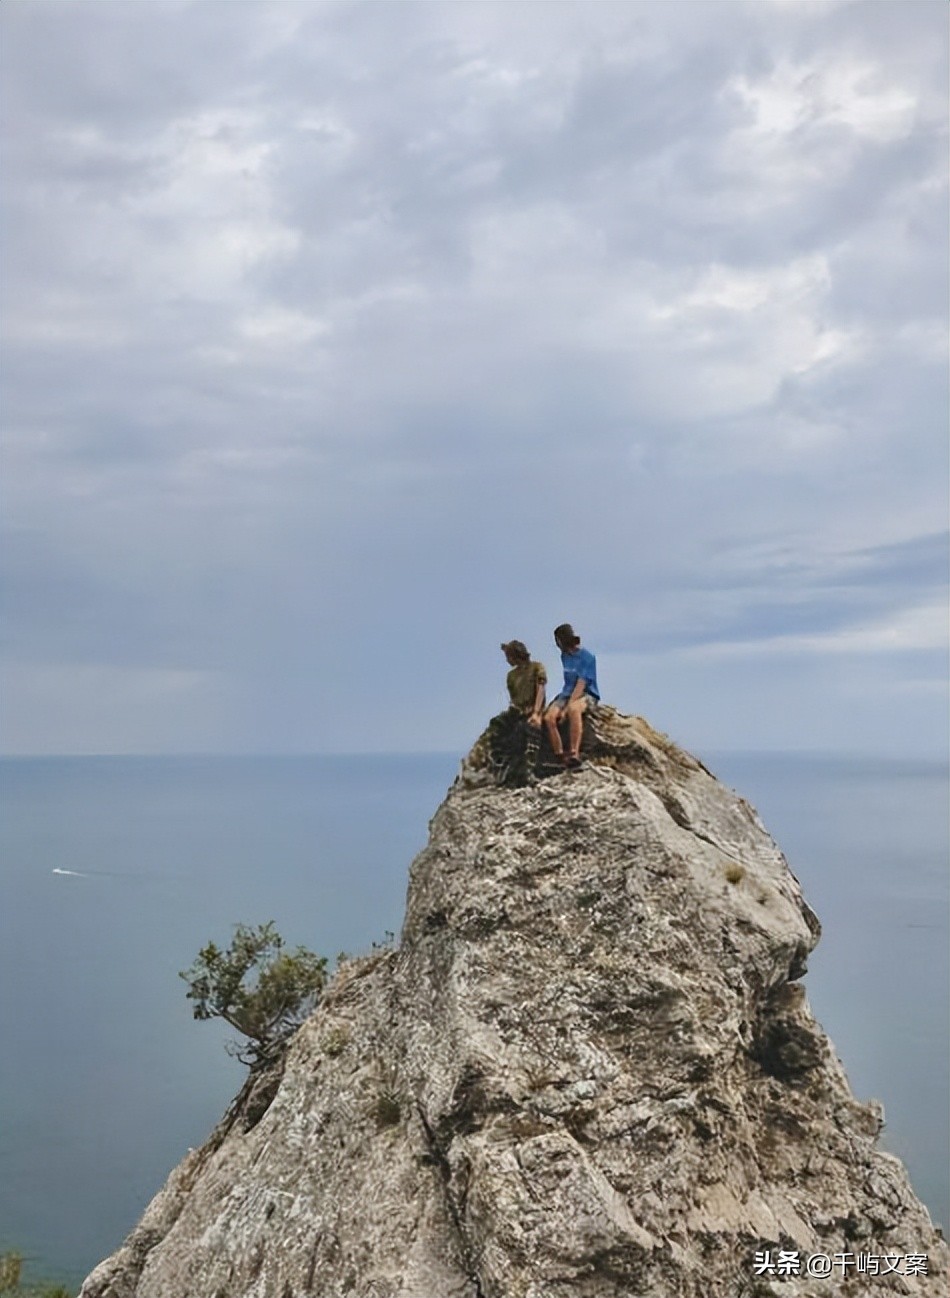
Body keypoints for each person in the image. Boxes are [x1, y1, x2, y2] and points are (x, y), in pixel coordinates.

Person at [486, 640, 547, 785]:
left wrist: (536, 712)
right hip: (518, 711)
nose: (507, 660)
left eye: (508, 656)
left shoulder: (536, 667)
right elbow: (514, 699)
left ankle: (529, 772)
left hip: (533, 709)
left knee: (528, 730)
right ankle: (501, 768)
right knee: (497, 727)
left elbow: (541, 690)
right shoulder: (511, 676)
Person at [544, 623, 599, 769]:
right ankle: (560, 754)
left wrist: (566, 708)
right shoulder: (565, 656)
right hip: (566, 693)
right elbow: (568, 684)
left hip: (586, 694)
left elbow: (581, 685)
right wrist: (560, 705)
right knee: (549, 718)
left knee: (574, 710)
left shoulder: (587, 658)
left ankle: (574, 752)